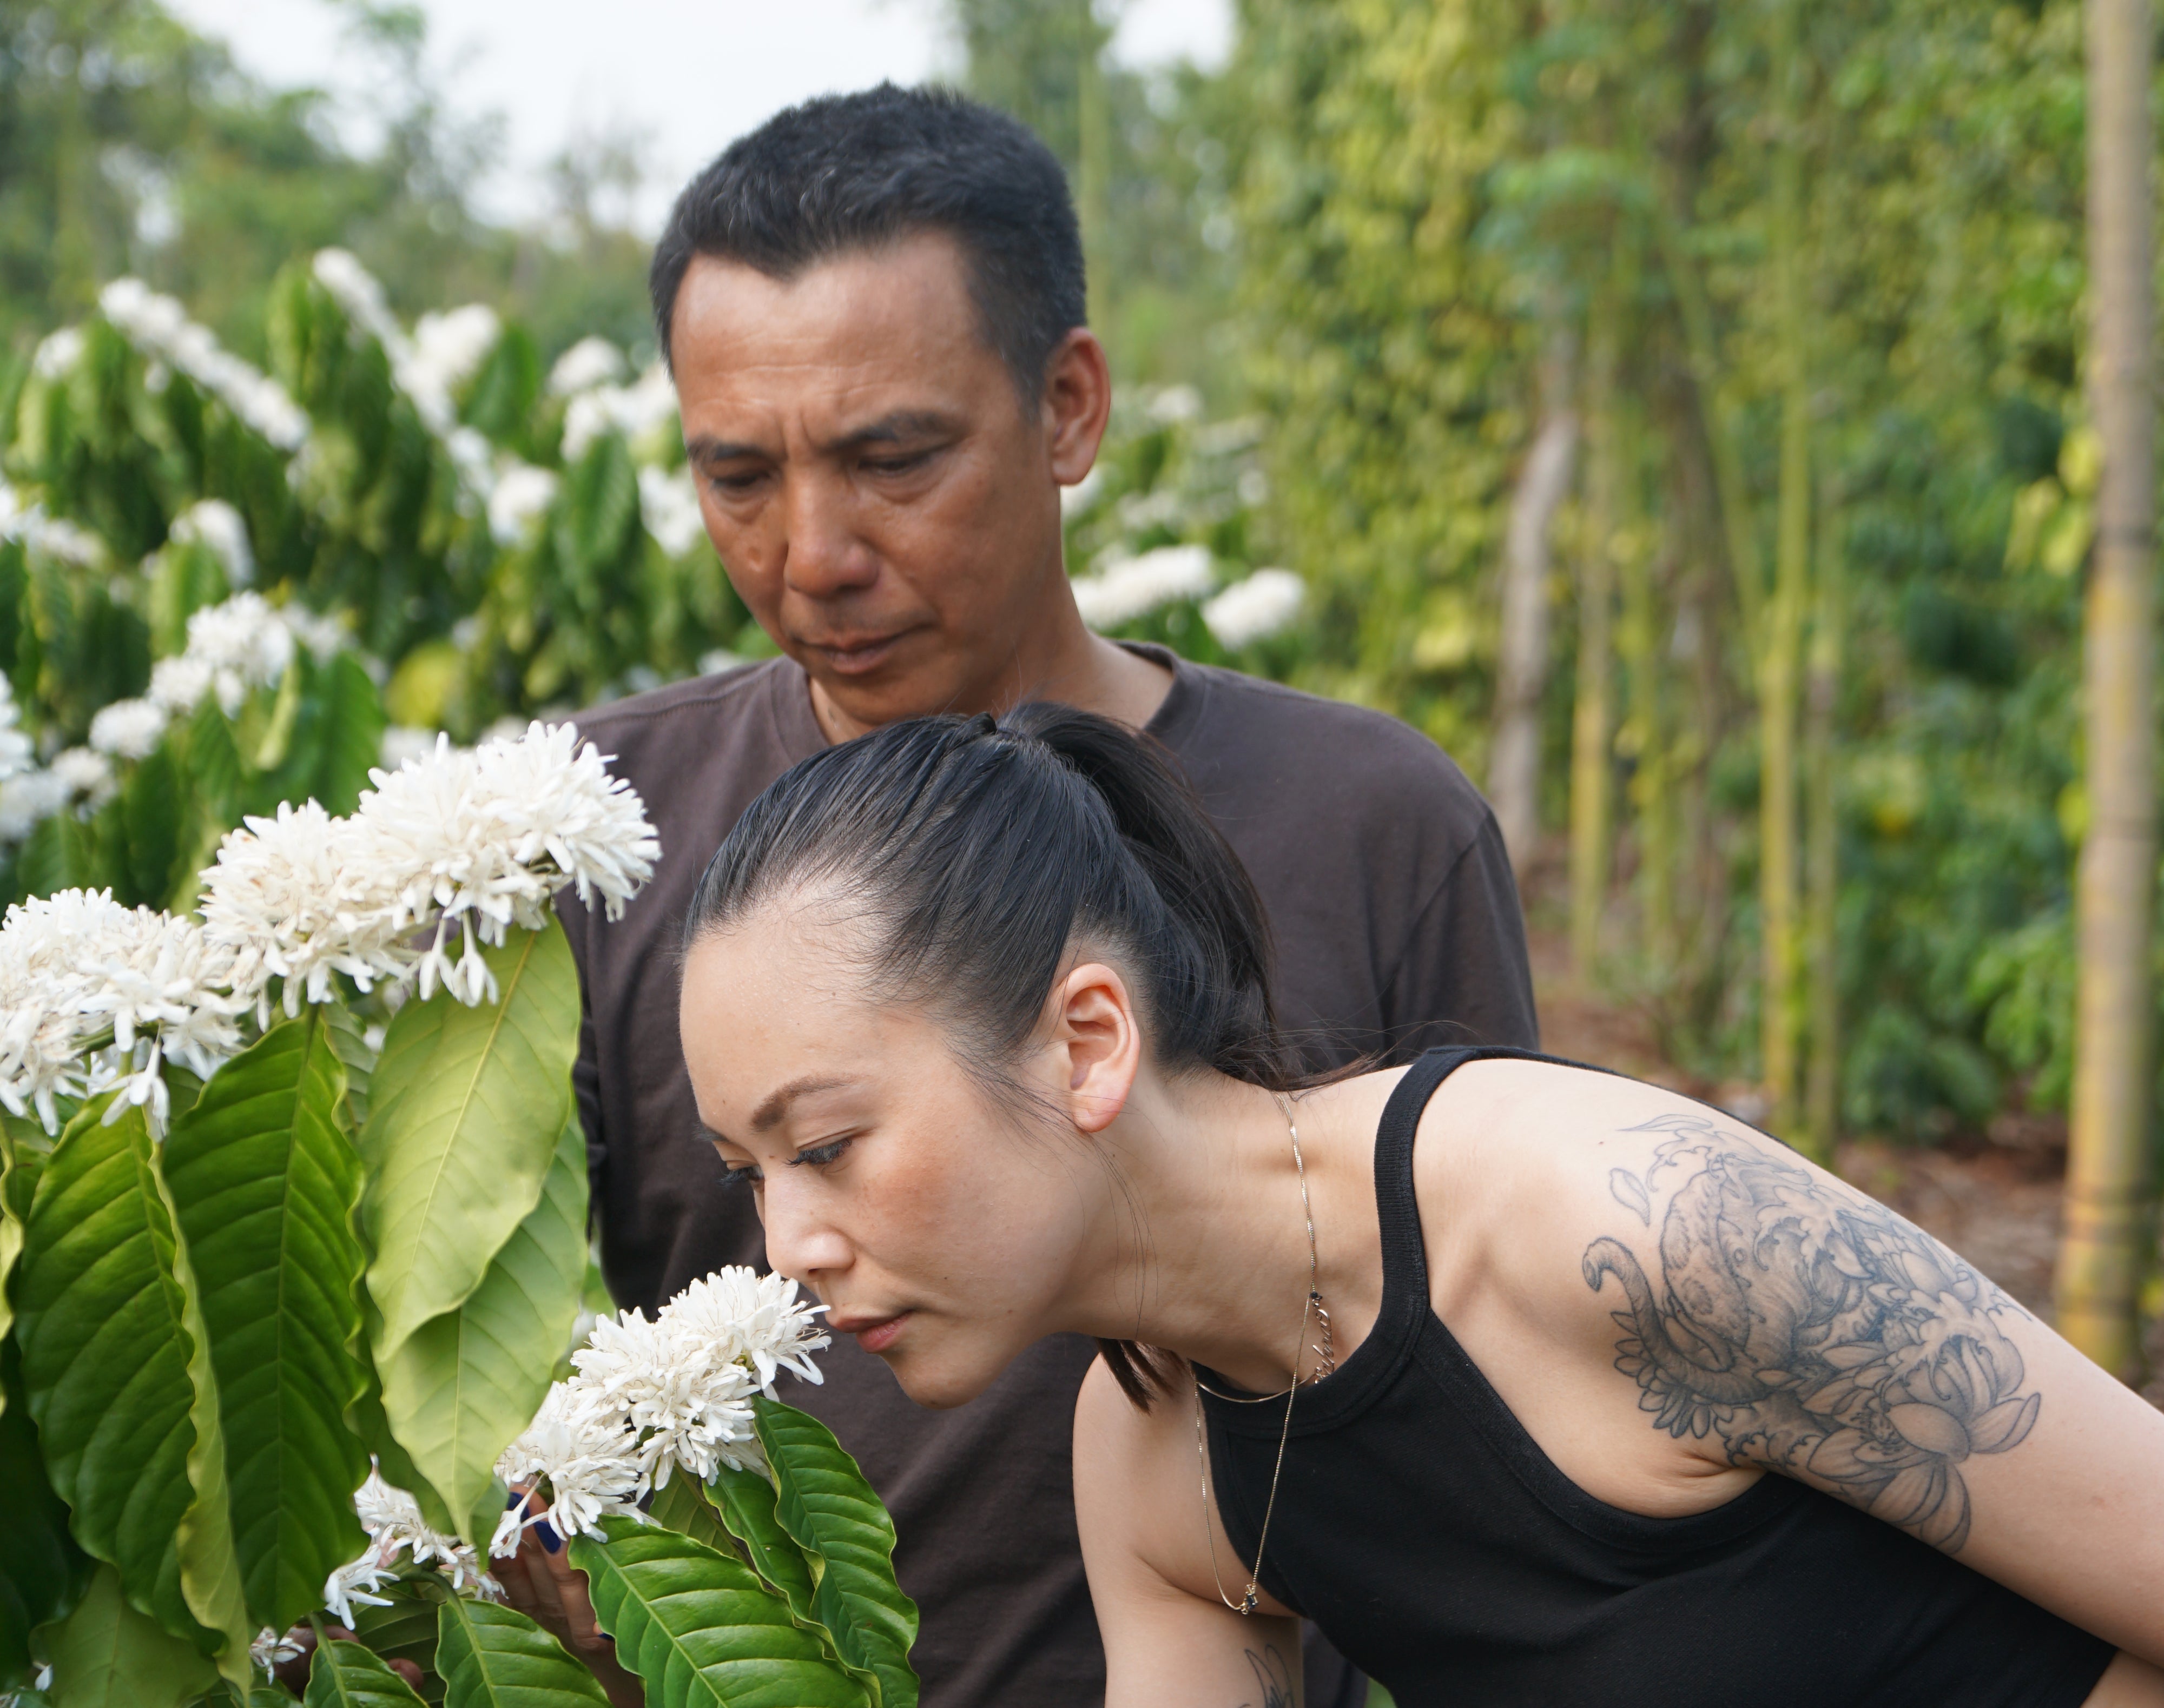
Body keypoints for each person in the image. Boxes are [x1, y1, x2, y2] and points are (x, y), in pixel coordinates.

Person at [502, 84, 1538, 1708]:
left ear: (1067, 406)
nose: (814, 553)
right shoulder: (587, 841)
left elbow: (1506, 1370)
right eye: (739, 477)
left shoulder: (1370, 829)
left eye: (891, 458)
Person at [675, 704, 2164, 1708]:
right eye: (751, 1177)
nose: (788, 1251)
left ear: (1086, 1042)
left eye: (827, 1145)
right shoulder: (1154, 1462)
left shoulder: (1623, 1227)